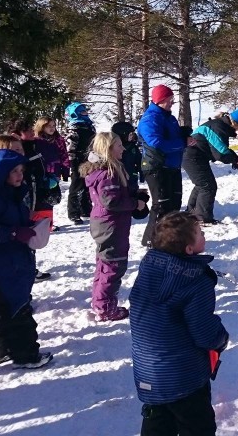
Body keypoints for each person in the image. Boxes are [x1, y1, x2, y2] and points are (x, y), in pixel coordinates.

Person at [131, 212, 229, 436]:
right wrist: (221, 338)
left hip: (149, 372)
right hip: (184, 377)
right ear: (188, 249)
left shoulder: (149, 268)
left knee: (157, 423)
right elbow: (204, 332)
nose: (204, 234)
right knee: (196, 426)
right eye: (199, 233)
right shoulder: (195, 281)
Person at [0, 149, 53, 369]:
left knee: (6, 309)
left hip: (17, 262)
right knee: (18, 309)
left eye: (21, 170)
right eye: (14, 171)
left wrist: (33, 227)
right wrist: (13, 233)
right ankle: (26, 355)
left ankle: (3, 351)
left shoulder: (16, 196)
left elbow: (18, 223)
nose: (19, 175)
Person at [83, 132, 147, 322]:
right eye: (119, 146)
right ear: (108, 149)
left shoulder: (108, 170)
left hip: (108, 224)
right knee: (113, 265)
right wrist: (135, 204)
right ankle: (105, 308)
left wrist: (134, 194)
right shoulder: (108, 173)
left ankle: (100, 302)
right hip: (111, 225)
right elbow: (111, 201)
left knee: (105, 263)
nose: (123, 149)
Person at [137, 84, 189, 247]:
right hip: (156, 166)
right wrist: (182, 142)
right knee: (161, 204)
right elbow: (155, 142)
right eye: (169, 100)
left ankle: (169, 238)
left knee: (174, 203)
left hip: (172, 166)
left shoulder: (169, 117)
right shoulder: (150, 118)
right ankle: (151, 239)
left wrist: (184, 132)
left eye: (172, 100)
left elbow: (170, 135)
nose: (172, 103)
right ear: (160, 100)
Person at [3, 123, 55, 281]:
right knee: (21, 239)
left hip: (33, 195)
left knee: (30, 233)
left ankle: (30, 268)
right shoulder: (8, 170)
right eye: (28, 130)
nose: (32, 132)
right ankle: (22, 272)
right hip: (26, 198)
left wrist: (46, 180)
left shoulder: (33, 147)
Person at [183, 105, 238, 225]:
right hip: (192, 156)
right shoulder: (219, 127)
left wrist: (234, 158)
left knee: (202, 184)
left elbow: (221, 148)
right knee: (208, 186)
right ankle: (202, 217)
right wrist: (236, 160)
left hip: (194, 156)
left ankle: (191, 213)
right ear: (236, 124)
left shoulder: (219, 125)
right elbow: (221, 153)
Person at [65, 102, 96, 225]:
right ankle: (74, 212)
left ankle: (86, 208)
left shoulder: (89, 127)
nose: (85, 113)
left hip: (90, 160)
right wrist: (72, 163)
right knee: (77, 186)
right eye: (82, 112)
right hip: (78, 161)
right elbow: (70, 148)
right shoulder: (74, 129)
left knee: (88, 185)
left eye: (85, 111)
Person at [34, 116, 70, 184]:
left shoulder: (58, 140)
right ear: (41, 126)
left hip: (55, 172)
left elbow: (64, 156)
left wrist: (65, 172)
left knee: (54, 191)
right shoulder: (36, 141)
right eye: (49, 126)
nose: (52, 128)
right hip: (40, 172)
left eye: (53, 125)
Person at [111, 121, 143, 188]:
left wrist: (141, 172)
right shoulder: (113, 148)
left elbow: (140, 161)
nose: (132, 136)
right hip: (118, 180)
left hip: (132, 178)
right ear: (123, 134)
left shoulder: (133, 147)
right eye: (130, 134)